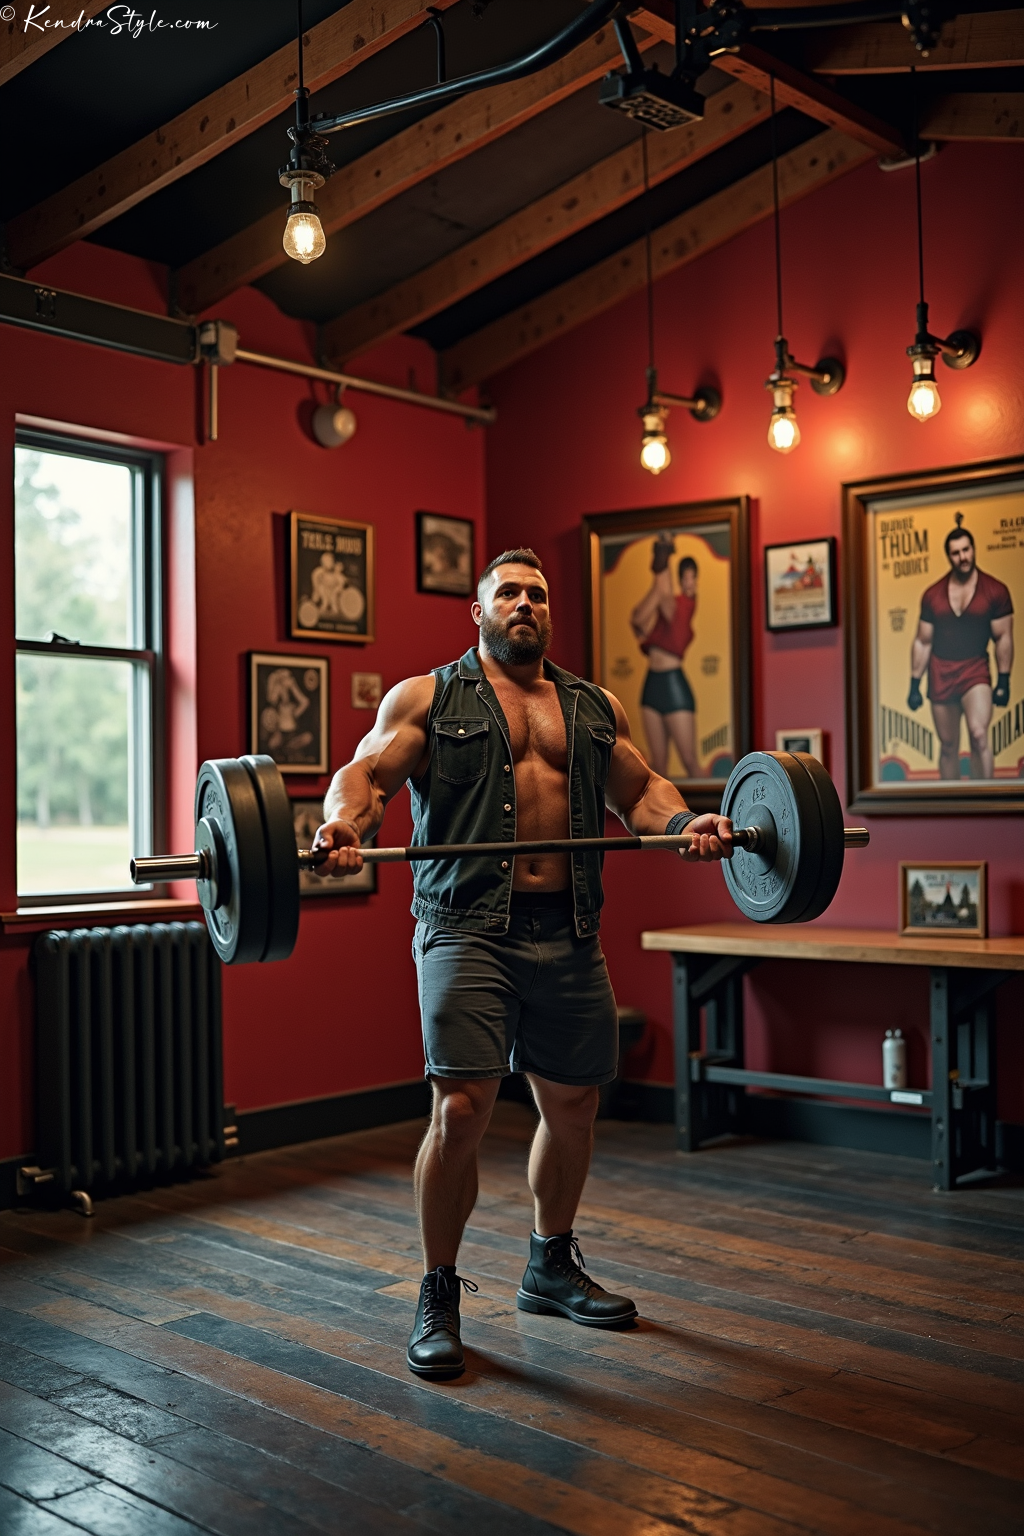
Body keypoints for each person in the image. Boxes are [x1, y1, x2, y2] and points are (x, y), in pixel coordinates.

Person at [313, 548, 732, 1381]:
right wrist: (342, 825)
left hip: (569, 927)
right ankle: (437, 1289)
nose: (524, 604)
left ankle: (549, 1264)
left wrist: (686, 821)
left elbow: (640, 790)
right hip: (465, 927)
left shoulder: (588, 705)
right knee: (463, 1110)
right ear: (478, 611)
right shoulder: (427, 697)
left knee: (573, 1102)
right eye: (507, 593)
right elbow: (365, 773)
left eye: (537, 594)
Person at [908, 513, 1014, 779]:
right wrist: (914, 685)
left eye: (966, 550)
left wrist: (1004, 680)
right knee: (948, 746)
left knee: (979, 736)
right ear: (949, 556)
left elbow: (1003, 637)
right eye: (956, 553)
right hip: (940, 670)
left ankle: (985, 803)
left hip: (975, 668)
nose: (963, 557)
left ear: (973, 549)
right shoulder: (933, 594)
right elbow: (923, 642)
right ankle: (950, 807)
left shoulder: (995, 590)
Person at [629, 537, 700, 777]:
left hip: (673, 682)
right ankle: (662, 559)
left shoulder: (684, 605)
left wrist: (662, 567)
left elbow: (666, 596)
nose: (690, 581)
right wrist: (659, 582)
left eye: (693, 576)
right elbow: (638, 618)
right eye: (686, 576)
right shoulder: (665, 605)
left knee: (689, 760)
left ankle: (662, 559)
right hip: (652, 683)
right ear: (681, 578)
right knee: (657, 765)